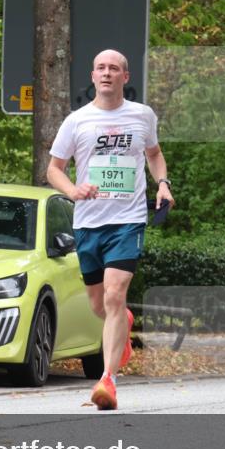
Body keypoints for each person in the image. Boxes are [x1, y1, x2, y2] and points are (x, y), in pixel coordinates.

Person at [47, 49, 174, 410]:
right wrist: (73, 191)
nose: (107, 73)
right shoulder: (77, 121)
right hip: (88, 221)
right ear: (92, 76)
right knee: (100, 303)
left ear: (125, 76)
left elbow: (154, 154)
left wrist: (162, 183)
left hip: (128, 219)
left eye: (114, 68)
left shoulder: (142, 116)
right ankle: (124, 322)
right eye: (100, 67)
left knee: (115, 295)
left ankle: (107, 381)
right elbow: (54, 169)